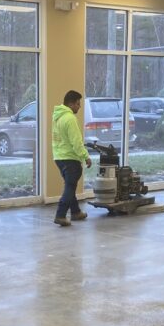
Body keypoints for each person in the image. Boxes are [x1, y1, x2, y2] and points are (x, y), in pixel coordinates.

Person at [51, 90, 92, 227]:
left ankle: (75, 212)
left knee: (70, 185)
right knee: (70, 186)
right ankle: (60, 215)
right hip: (70, 158)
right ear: (71, 103)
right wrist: (86, 156)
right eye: (78, 104)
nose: (79, 107)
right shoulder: (70, 118)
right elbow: (76, 142)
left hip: (59, 157)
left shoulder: (57, 117)